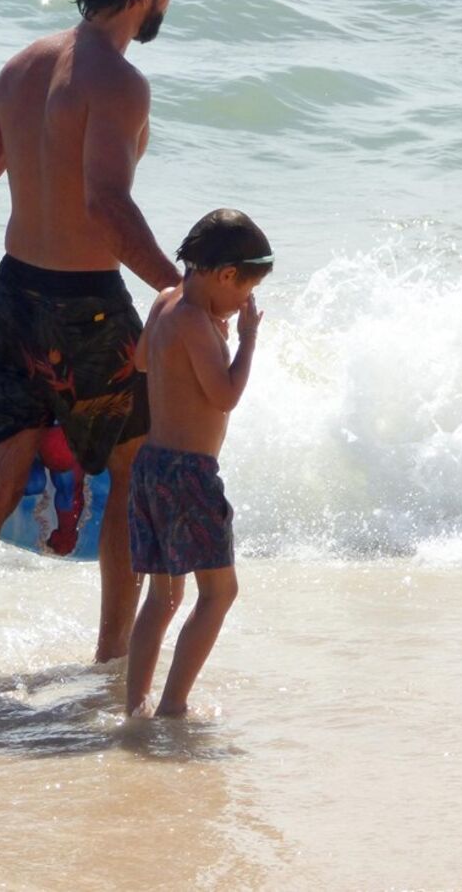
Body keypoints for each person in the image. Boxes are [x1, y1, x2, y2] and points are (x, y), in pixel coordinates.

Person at [0, 0, 182, 698]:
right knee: (137, 471)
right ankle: (110, 664)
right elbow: (106, 203)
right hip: (87, 314)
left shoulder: (23, 66)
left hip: (14, 296)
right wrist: (177, 289)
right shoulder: (119, 82)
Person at [124, 209, 273, 717]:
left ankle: (135, 704)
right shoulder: (196, 322)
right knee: (219, 592)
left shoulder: (166, 304)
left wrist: (211, 334)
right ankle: (173, 706)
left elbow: (142, 360)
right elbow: (225, 395)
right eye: (242, 295)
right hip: (189, 475)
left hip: (151, 467)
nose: (240, 307)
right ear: (226, 275)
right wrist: (245, 340)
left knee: (163, 597)